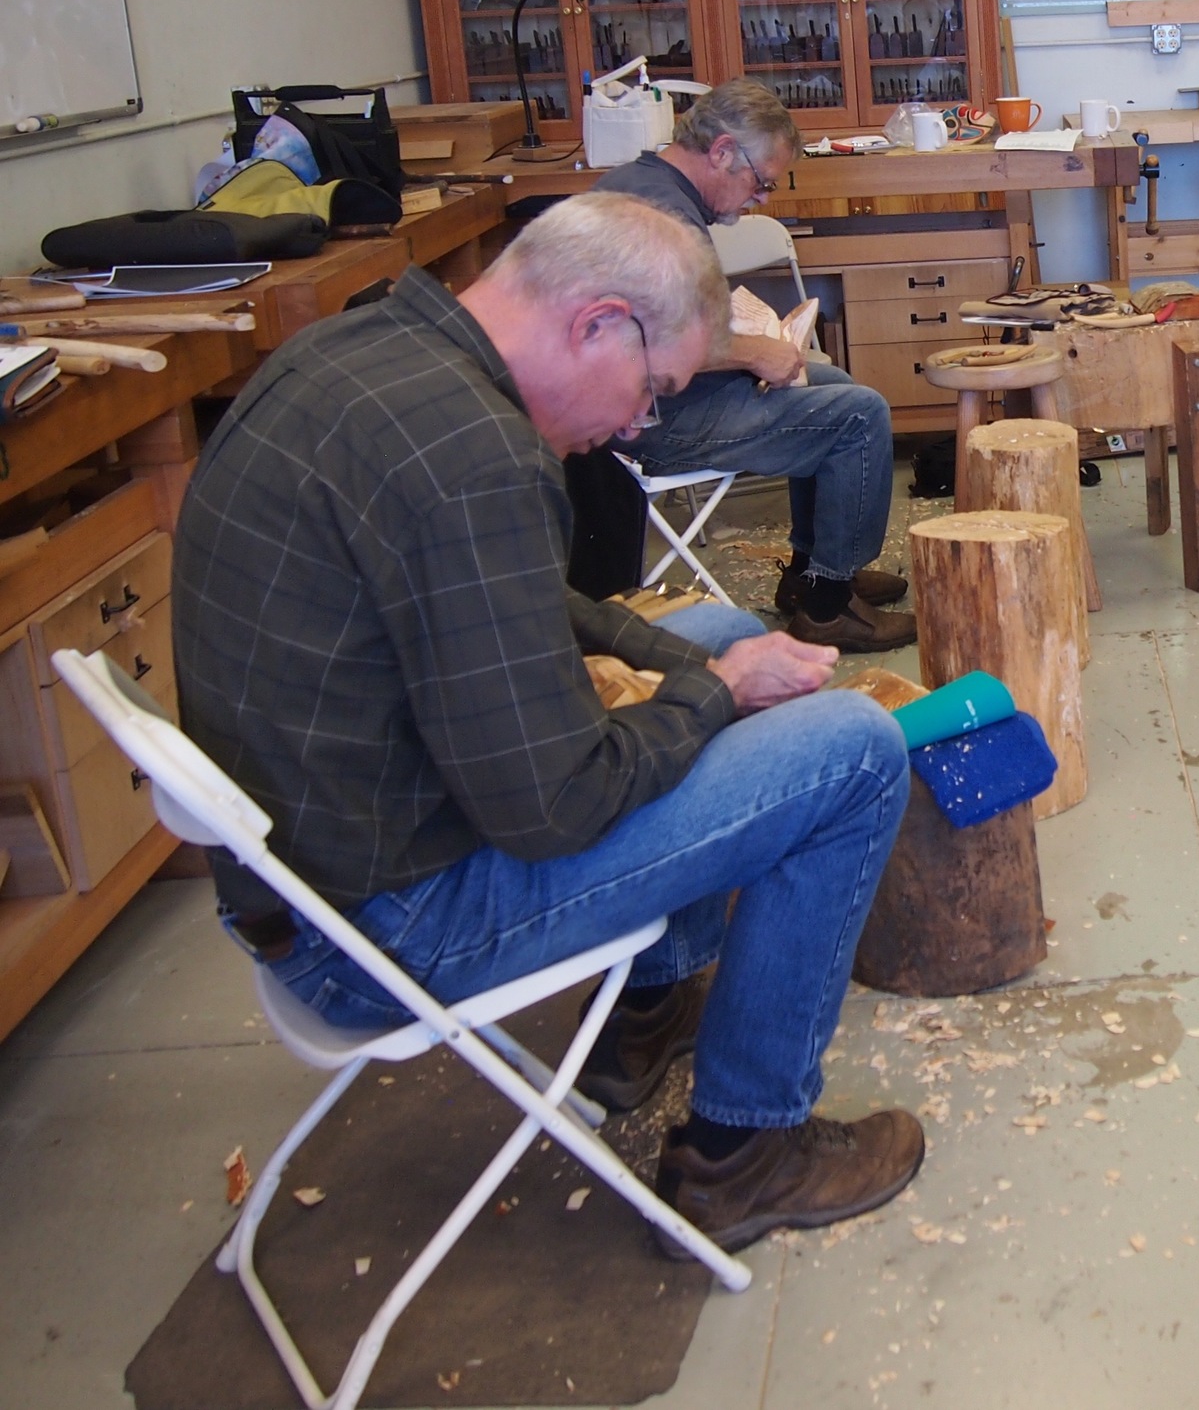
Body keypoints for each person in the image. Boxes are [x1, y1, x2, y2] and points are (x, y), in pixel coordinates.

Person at [171, 193, 924, 1252]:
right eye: (651, 390)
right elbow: (553, 804)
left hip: (315, 877)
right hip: (388, 936)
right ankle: (745, 1156)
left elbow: (517, 595)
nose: (636, 425)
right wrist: (714, 696)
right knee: (850, 754)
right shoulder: (480, 455)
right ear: (597, 323)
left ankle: (646, 1010)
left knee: (707, 622)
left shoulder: (361, 353)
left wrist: (698, 658)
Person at [593, 78, 915, 652]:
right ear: (721, 152)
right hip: (654, 418)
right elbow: (663, 344)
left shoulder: (645, 185)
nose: (762, 198)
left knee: (832, 382)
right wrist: (756, 351)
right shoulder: (662, 215)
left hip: (652, 396)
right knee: (858, 414)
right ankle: (825, 607)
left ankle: (811, 570)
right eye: (761, 182)